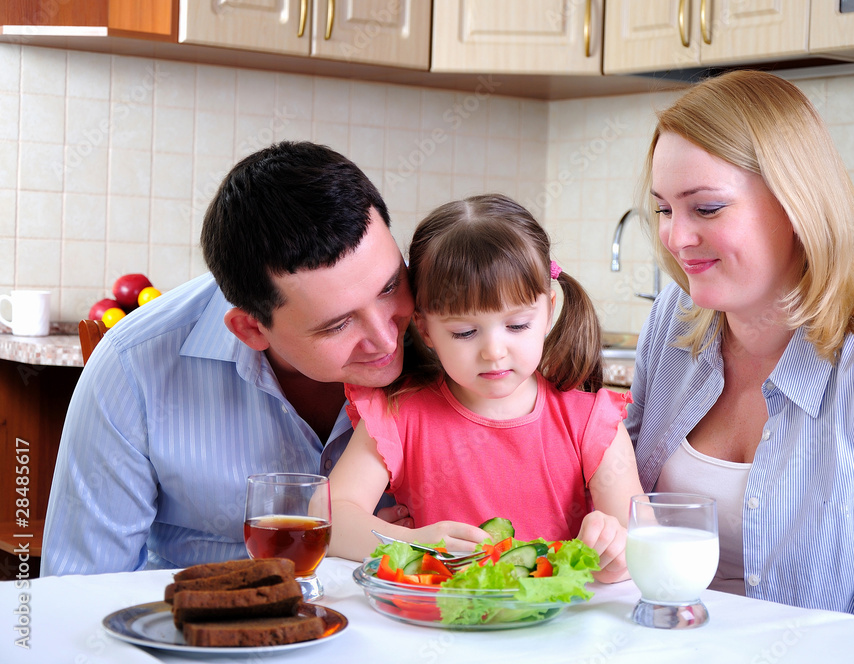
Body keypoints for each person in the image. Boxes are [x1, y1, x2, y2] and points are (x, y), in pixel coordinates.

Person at [626, 69, 854, 655]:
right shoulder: (674, 323)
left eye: (705, 208)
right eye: (663, 209)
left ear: (796, 206)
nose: (675, 238)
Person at [42, 141, 415, 575]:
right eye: (337, 325)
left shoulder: (462, 328)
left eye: (390, 287)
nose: (385, 338)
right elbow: (81, 589)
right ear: (252, 328)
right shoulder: (132, 368)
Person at [327, 194, 642, 583]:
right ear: (425, 329)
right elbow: (328, 516)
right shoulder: (396, 414)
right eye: (464, 331)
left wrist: (613, 555)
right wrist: (411, 543)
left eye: (517, 325)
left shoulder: (592, 422)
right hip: (435, 627)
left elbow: (639, 541)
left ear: (548, 310)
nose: (494, 352)